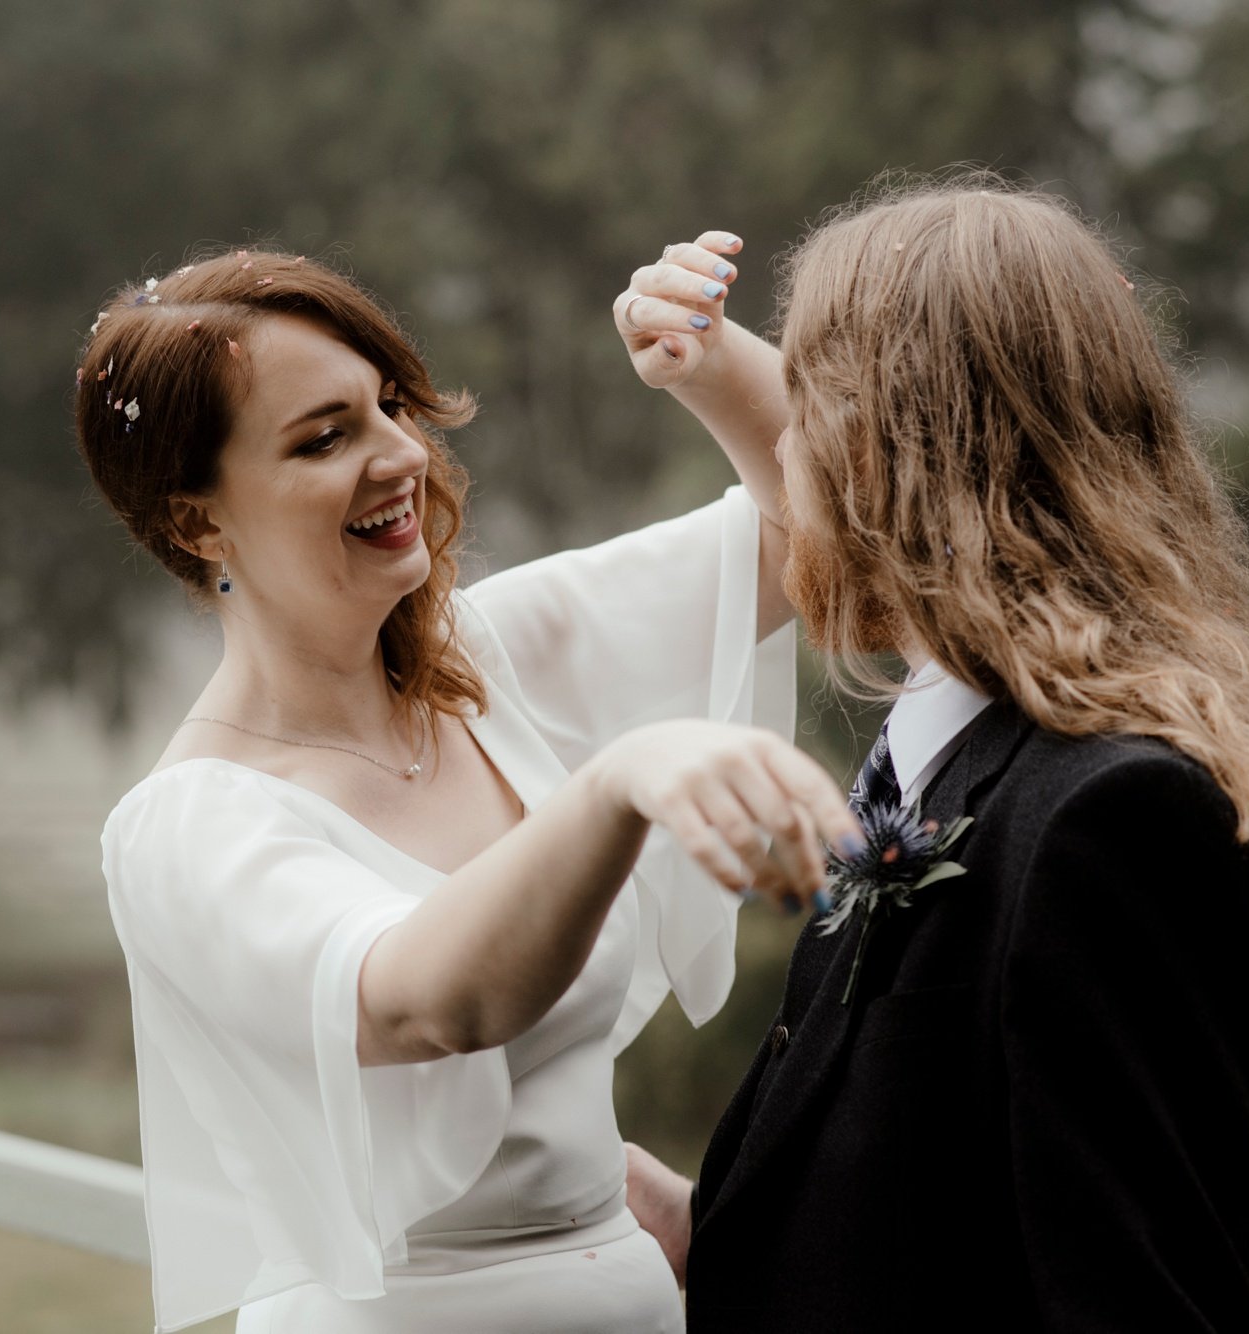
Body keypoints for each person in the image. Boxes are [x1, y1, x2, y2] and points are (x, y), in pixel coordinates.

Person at [74, 240, 859, 1333]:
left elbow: (813, 535)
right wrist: (619, 778)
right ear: (195, 520)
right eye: (323, 436)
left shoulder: (483, 663)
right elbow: (430, 999)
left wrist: (706, 360)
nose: (398, 452)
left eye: (388, 404)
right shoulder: (187, 826)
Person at [628, 179, 1249, 1331]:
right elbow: (938, 1212)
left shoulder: (1110, 812)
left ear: (890, 451)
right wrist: (700, 1229)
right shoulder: (939, 762)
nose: (781, 450)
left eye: (806, 405)